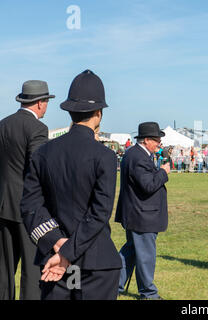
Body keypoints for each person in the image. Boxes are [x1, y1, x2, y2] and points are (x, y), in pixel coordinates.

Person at [20, 70, 122, 300]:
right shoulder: (104, 156)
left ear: (70, 111)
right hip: (95, 263)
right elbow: (99, 213)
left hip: (55, 261)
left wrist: (56, 242)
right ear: (99, 113)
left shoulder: (43, 153)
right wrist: (68, 252)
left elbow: (30, 206)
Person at [0, 80, 54, 300]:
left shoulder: (3, 124)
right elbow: (37, 169)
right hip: (27, 209)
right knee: (32, 270)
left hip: (3, 204)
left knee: (4, 267)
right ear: (40, 103)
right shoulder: (38, 128)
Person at [115, 122, 170, 300]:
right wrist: (163, 172)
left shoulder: (136, 154)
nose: (159, 144)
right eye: (156, 140)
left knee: (130, 251)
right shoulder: (138, 157)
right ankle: (148, 293)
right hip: (142, 215)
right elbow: (148, 185)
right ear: (146, 140)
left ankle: (113, 284)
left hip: (137, 213)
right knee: (145, 255)